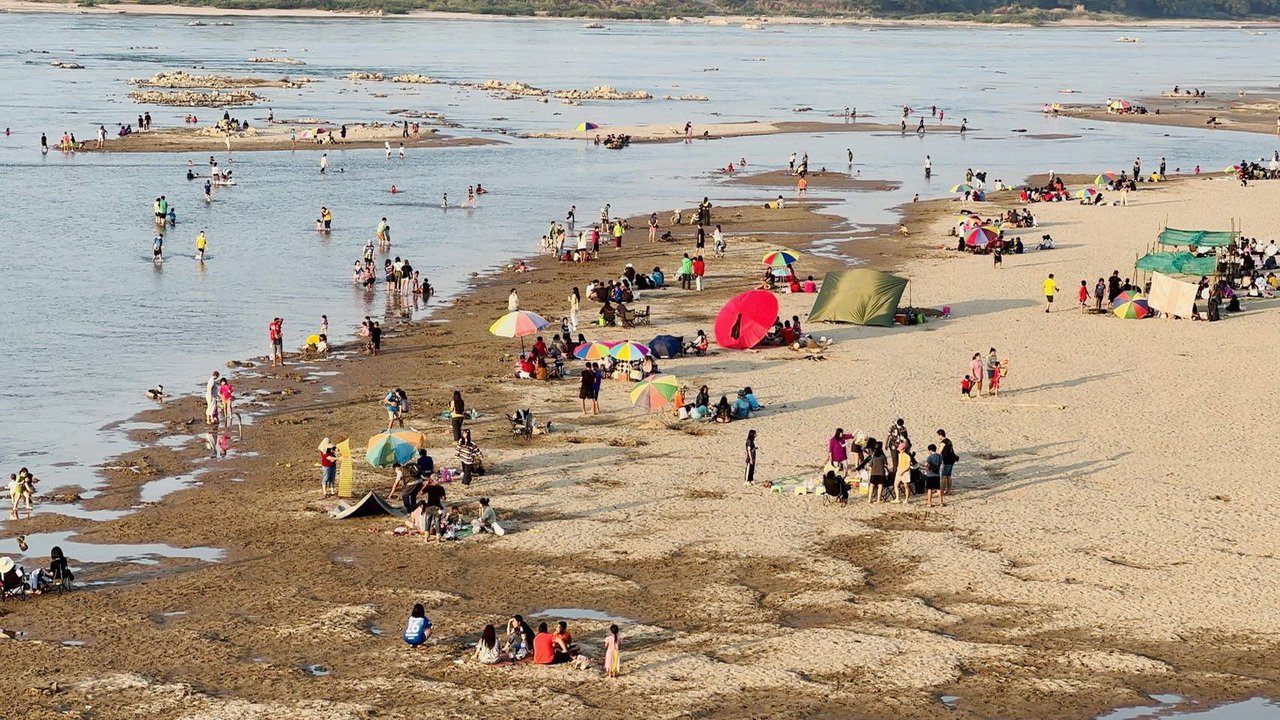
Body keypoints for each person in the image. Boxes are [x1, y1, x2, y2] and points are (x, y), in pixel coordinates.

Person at [937, 429, 957, 495]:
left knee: (943, 476)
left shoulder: (943, 443)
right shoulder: (949, 441)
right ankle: (949, 490)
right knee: (948, 476)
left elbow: (939, 452)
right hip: (952, 459)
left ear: (940, 435)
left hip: (947, 460)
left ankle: (942, 490)